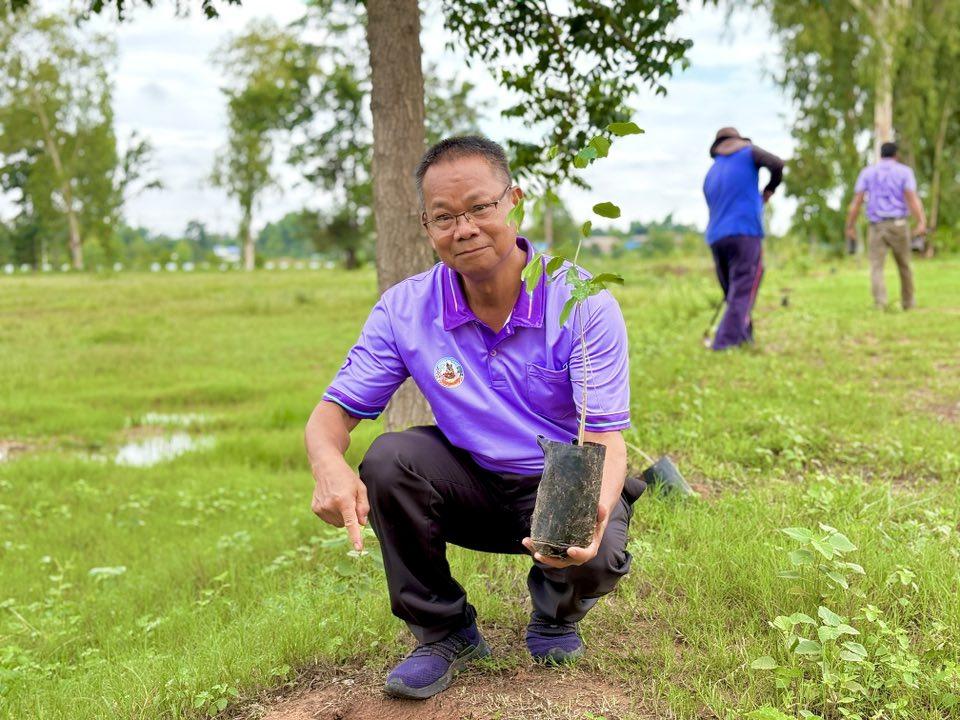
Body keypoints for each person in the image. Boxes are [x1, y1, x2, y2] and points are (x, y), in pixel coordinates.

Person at [304, 136, 643, 700]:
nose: (464, 229)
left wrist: (597, 507)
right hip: (470, 480)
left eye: (480, 208)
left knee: (598, 549)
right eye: (445, 217)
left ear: (514, 200)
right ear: (426, 225)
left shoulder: (581, 302)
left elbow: (604, 435)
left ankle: (556, 611)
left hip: (555, 481)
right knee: (389, 459)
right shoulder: (405, 309)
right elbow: (330, 415)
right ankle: (444, 631)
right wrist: (327, 464)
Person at [702, 127, 784, 350]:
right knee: (743, 291)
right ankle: (724, 343)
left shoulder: (711, 172)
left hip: (716, 237)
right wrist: (769, 190)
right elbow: (777, 164)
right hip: (744, 233)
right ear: (738, 140)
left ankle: (744, 336)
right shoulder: (749, 152)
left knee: (734, 293)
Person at [845, 142, 927, 310]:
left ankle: (880, 303)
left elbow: (857, 202)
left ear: (880, 155)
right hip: (899, 224)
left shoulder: (868, 172)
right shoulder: (904, 172)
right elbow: (912, 198)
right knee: (904, 265)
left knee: (876, 267)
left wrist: (850, 225)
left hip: (876, 227)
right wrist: (921, 221)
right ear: (896, 155)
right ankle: (908, 303)